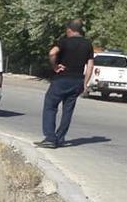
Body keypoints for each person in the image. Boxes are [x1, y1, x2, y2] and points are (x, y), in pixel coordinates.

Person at [35, 20, 94, 149]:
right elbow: (90, 66)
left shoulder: (64, 42)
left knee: (50, 106)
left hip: (62, 79)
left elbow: (52, 53)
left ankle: (50, 138)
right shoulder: (88, 44)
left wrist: (55, 66)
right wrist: (85, 83)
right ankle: (60, 138)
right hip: (77, 80)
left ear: (69, 30)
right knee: (68, 110)